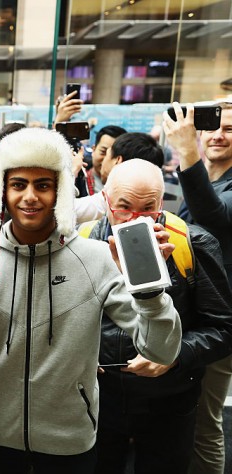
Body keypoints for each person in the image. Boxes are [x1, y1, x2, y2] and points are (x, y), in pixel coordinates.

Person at [0, 127, 182, 473]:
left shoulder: (96, 257)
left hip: (70, 440)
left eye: (43, 185)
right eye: (18, 184)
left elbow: (160, 351)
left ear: (61, 191)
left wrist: (149, 292)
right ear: (2, 191)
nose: (30, 196)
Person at [80, 159, 232, 473]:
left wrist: (174, 356)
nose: (135, 219)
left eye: (148, 208)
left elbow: (223, 328)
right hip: (98, 397)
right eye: (123, 207)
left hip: (169, 398)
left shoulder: (192, 243)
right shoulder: (84, 243)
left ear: (161, 204)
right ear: (106, 202)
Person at [163, 101, 232, 474]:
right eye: (212, 126)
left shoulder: (197, 176)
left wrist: (187, 152)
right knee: (181, 419)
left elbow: (214, 217)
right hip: (187, 313)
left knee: (205, 424)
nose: (219, 135)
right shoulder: (194, 177)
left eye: (230, 129)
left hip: (217, 324)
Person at [75, 132, 164, 223]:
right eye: (125, 207)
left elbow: (63, 214)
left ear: (118, 162)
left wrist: (70, 173)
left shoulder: (103, 204)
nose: (133, 219)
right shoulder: (173, 227)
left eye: (107, 154)